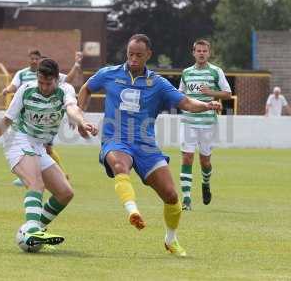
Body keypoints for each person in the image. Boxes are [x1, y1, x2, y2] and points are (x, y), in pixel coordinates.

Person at [78, 34, 221, 257]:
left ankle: (171, 240)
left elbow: (185, 102)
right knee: (119, 165)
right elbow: (86, 88)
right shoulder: (110, 74)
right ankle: (132, 211)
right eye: (130, 54)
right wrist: (80, 118)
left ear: (148, 55)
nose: (133, 59)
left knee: (172, 196)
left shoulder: (158, 83)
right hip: (116, 139)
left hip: (146, 146)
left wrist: (206, 105)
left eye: (138, 55)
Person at [0, 58, 98, 248]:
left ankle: (33, 230)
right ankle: (32, 230)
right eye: (41, 82)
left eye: (48, 83)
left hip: (38, 145)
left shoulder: (65, 90)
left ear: (56, 80)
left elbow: (72, 109)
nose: (44, 87)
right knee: (35, 183)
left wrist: (82, 122)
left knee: (65, 193)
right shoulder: (26, 89)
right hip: (17, 139)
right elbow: (6, 121)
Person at [3, 50, 84, 185]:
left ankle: (50, 174)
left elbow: (68, 84)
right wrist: (7, 90)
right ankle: (31, 173)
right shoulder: (22, 75)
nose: (35, 61)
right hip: (26, 116)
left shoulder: (52, 76)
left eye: (37, 59)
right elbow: (13, 86)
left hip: (45, 117)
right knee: (40, 148)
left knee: (46, 148)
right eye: (33, 59)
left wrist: (76, 65)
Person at [178, 39, 232, 211]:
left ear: (209, 53)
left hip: (208, 123)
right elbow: (180, 95)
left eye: (204, 51)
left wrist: (211, 93)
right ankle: (186, 200)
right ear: (193, 52)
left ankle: (205, 183)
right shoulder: (186, 73)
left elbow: (228, 93)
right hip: (188, 121)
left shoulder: (216, 71)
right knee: (187, 157)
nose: (201, 53)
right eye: (198, 50)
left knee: (205, 161)